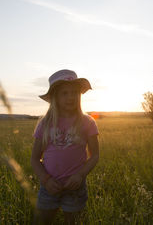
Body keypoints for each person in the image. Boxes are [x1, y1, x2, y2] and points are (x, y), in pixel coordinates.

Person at [31, 69, 99, 224]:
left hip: (75, 187)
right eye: (64, 93)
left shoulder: (87, 122)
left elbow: (94, 155)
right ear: (55, 97)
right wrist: (46, 180)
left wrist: (80, 175)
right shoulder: (46, 123)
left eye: (75, 92)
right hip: (49, 187)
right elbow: (35, 159)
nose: (71, 97)